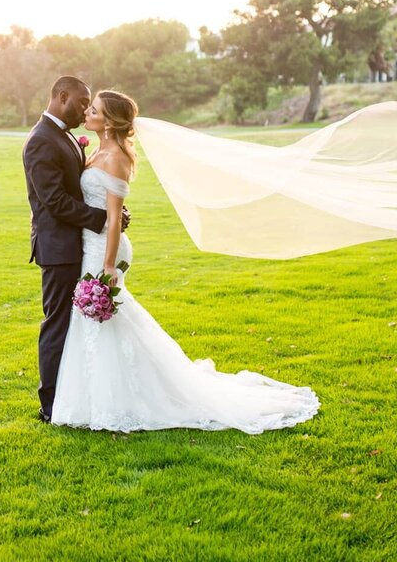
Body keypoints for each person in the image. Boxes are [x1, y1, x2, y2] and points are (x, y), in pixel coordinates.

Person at [48, 89, 321, 433]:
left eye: (95, 109)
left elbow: (115, 218)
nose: (87, 112)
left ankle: (122, 398)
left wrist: (107, 266)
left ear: (109, 121)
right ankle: (95, 398)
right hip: (90, 241)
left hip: (104, 247)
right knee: (99, 319)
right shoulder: (97, 148)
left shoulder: (116, 156)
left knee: (103, 317)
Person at [21, 76, 128, 424]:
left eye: (90, 106)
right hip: (58, 249)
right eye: (82, 103)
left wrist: (113, 214)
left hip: (79, 245)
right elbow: (53, 201)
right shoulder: (41, 140)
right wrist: (102, 217)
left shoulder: (65, 136)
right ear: (61, 97)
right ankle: (50, 404)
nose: (85, 110)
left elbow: (82, 190)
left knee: (77, 326)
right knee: (57, 325)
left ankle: (81, 397)